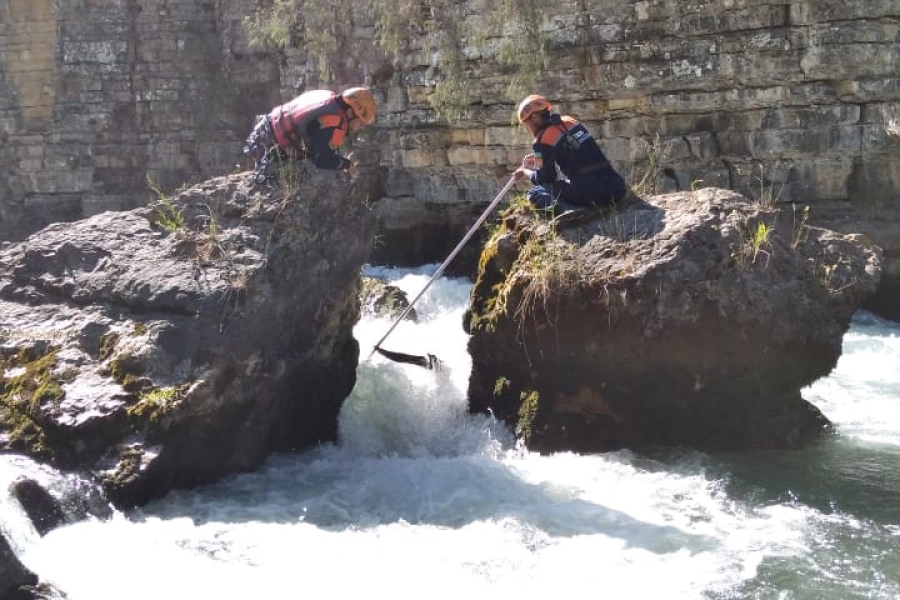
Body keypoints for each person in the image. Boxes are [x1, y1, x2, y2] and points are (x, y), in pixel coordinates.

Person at [512, 94, 626, 212]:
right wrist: (540, 158)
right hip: (617, 187)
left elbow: (545, 178)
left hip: (592, 192)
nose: (527, 128)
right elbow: (574, 149)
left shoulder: (542, 140)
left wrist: (526, 171)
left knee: (535, 193)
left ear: (535, 117)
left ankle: (570, 212)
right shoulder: (569, 121)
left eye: (526, 123)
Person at [243, 87, 377, 182]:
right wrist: (346, 164)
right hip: (270, 149)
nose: (359, 127)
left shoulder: (326, 96)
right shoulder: (335, 121)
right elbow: (322, 160)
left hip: (262, 132)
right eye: (360, 122)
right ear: (350, 112)